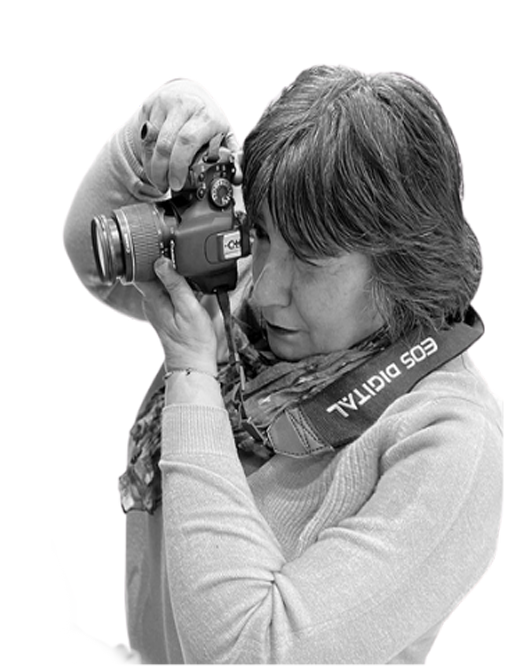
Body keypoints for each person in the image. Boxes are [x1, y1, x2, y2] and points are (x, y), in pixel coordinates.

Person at [61, 65, 503, 666]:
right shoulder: (254, 307)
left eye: (311, 262)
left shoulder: (451, 442)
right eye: (262, 234)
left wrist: (193, 376)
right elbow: (96, 251)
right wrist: (156, 135)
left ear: (403, 264)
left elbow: (253, 652)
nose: (265, 289)